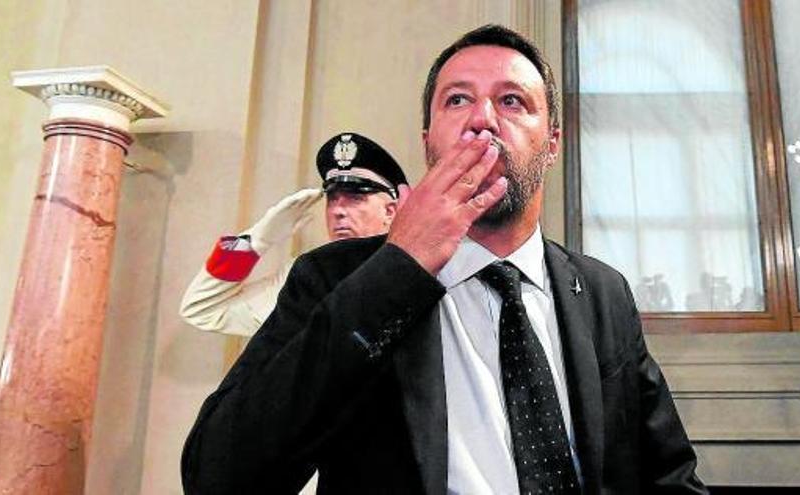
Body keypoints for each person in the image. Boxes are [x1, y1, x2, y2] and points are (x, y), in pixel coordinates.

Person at [182, 25, 707, 494]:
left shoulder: (602, 291)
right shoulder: (334, 277)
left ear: (551, 144)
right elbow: (219, 475)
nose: (482, 120)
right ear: (428, 140)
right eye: (457, 101)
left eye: (512, 102)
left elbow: (669, 474)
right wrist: (400, 267)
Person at [179, 132, 408, 337]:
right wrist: (257, 240)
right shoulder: (305, 277)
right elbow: (201, 309)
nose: (338, 210)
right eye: (332, 198)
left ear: (390, 211)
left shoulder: (414, 272)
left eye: (355, 198)